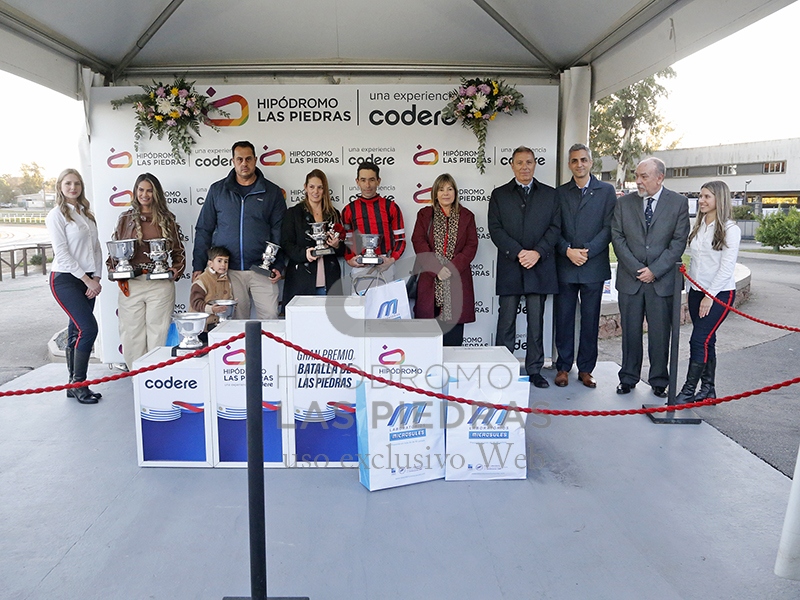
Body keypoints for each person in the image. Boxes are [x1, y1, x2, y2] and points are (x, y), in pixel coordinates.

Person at [611, 157, 689, 397]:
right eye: (636, 176)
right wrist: (638, 269)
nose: (638, 181)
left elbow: (678, 242)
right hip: (631, 281)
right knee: (630, 333)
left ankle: (659, 381)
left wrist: (655, 270)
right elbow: (617, 237)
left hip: (662, 282)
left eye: (644, 176)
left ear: (660, 177)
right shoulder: (624, 204)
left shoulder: (678, 203)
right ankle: (628, 378)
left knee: (660, 335)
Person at [488, 146, 560, 388]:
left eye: (529, 162)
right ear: (512, 165)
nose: (524, 167)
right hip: (511, 266)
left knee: (536, 323)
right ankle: (503, 369)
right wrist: (519, 252)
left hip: (539, 266)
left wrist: (537, 253)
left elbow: (555, 228)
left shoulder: (550, 195)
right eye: (519, 162)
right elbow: (495, 229)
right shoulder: (499, 195)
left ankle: (535, 370)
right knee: (506, 321)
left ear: (535, 164)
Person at [193, 141, 286, 319]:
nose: (244, 163)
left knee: (270, 318)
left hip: (263, 269)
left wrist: (278, 265)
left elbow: (279, 230)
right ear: (233, 161)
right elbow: (204, 229)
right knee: (234, 322)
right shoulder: (218, 190)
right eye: (240, 159)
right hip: (228, 271)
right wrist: (199, 264)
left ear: (256, 160)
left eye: (248, 159)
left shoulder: (272, 192)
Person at [553, 144, 616, 388]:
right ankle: (563, 367)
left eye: (583, 160)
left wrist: (587, 251)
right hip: (566, 264)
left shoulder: (606, 191)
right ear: (569, 164)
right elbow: (554, 228)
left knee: (590, 321)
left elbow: (609, 227)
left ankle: (586, 369)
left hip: (593, 266)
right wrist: (567, 250)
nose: (579, 164)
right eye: (574, 160)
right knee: (564, 319)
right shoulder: (560, 193)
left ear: (591, 162)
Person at [108, 173, 186, 368]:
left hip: (159, 285)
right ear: (135, 191)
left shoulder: (167, 219)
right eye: (141, 190)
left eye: (149, 190)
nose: (145, 194)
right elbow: (115, 251)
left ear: (156, 193)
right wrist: (115, 272)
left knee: (158, 333)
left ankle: (154, 377)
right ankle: (137, 378)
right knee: (131, 335)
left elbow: (179, 251)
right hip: (132, 283)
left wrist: (176, 269)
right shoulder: (125, 219)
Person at [676, 180, 741, 403]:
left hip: (718, 294)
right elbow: (695, 261)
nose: (701, 201)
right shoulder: (699, 225)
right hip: (696, 291)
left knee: (698, 339)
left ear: (719, 199)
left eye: (707, 197)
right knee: (707, 340)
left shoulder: (731, 230)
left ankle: (688, 391)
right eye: (700, 196)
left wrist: (709, 296)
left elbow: (726, 268)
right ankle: (708, 390)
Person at [46, 169, 104, 404]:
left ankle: (73, 385)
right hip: (66, 279)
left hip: (88, 279)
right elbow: (62, 253)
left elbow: (96, 248)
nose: (73, 188)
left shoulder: (86, 214)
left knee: (76, 331)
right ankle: (80, 383)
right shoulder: (56, 215)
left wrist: (97, 277)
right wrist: (87, 280)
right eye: (68, 183)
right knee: (88, 329)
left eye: (77, 183)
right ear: (60, 187)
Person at [411, 173, 478, 346]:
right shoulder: (425, 215)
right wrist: (437, 269)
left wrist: (451, 268)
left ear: (455, 192)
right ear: (435, 193)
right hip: (430, 280)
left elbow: (471, 246)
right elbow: (418, 241)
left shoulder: (467, 216)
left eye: (449, 189)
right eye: (441, 190)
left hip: (457, 280)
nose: (445, 193)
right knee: (428, 339)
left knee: (453, 340)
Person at [280, 169, 344, 306]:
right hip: (301, 280)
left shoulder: (333, 214)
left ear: (325, 190)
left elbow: (342, 249)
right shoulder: (293, 213)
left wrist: (337, 245)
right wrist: (304, 253)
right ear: (305, 187)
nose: (316, 191)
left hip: (329, 279)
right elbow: (286, 244)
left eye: (320, 187)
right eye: (312, 187)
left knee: (330, 318)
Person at [342, 161, 405, 293]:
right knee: (359, 306)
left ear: (378, 181)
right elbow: (347, 241)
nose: (367, 185)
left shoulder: (391, 207)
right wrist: (350, 260)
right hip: (360, 267)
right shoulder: (349, 210)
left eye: (371, 180)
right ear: (357, 182)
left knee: (385, 306)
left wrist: (391, 260)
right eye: (363, 180)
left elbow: (400, 240)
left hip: (385, 266)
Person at [190, 245, 234, 336]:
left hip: (219, 326)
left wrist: (232, 304)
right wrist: (211, 309)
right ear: (210, 263)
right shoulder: (202, 280)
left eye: (226, 261)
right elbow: (195, 302)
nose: (223, 264)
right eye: (219, 261)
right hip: (202, 327)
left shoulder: (227, 280)